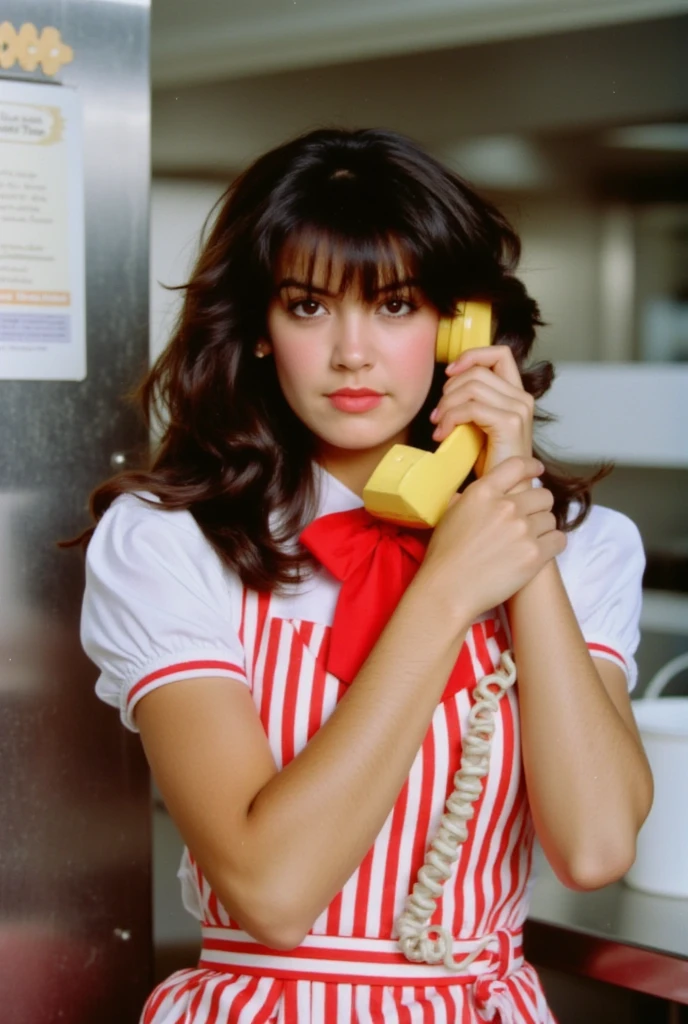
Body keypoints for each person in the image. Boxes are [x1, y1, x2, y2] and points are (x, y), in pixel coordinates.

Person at [79, 127, 653, 1024]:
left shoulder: (591, 546)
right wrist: (447, 592)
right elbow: (271, 892)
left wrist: (511, 512)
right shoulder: (167, 542)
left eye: (395, 306)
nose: (353, 353)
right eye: (308, 307)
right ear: (260, 330)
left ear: (461, 326)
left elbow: (595, 845)